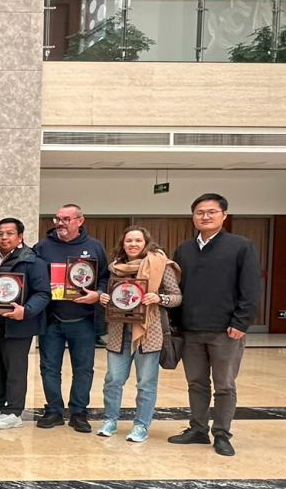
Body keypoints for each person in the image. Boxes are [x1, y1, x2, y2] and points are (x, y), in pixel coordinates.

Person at [169, 194, 261, 456]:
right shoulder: (184, 249)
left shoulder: (241, 246)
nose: (205, 216)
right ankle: (198, 429)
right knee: (196, 384)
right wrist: (175, 323)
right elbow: (177, 288)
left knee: (224, 385)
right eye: (199, 212)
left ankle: (221, 433)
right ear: (193, 217)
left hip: (226, 331)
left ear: (224, 215)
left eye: (211, 211)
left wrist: (241, 321)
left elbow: (251, 288)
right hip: (190, 330)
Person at [96, 226, 181, 442]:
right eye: (129, 241)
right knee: (113, 380)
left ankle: (141, 425)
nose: (133, 244)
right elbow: (114, 295)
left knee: (145, 383)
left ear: (146, 243)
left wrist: (159, 298)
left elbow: (177, 297)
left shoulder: (161, 265)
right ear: (123, 244)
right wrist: (105, 298)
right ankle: (110, 421)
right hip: (119, 332)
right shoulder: (116, 268)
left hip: (148, 333)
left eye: (137, 240)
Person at [33, 203, 109, 432]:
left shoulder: (94, 247)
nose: (60, 223)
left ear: (79, 220)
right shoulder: (42, 247)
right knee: (49, 368)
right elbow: (33, 277)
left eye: (66, 219)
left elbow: (104, 278)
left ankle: (79, 412)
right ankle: (53, 411)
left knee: (83, 369)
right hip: (51, 319)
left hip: (83, 320)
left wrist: (97, 294)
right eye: (57, 219)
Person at [0, 218, 50, 430]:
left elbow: (43, 293)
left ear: (20, 236)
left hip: (18, 325)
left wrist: (26, 311)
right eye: (0, 233)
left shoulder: (32, 261)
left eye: (9, 233)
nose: (4, 237)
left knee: (15, 370)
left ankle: (14, 412)